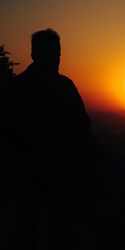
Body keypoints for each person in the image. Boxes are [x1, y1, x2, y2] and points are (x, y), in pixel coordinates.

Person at [2, 28, 91, 249]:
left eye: (58, 53)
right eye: (53, 53)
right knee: (49, 231)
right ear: (35, 55)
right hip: (47, 174)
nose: (57, 59)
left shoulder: (17, 87)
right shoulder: (61, 86)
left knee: (31, 229)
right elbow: (83, 128)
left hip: (39, 175)